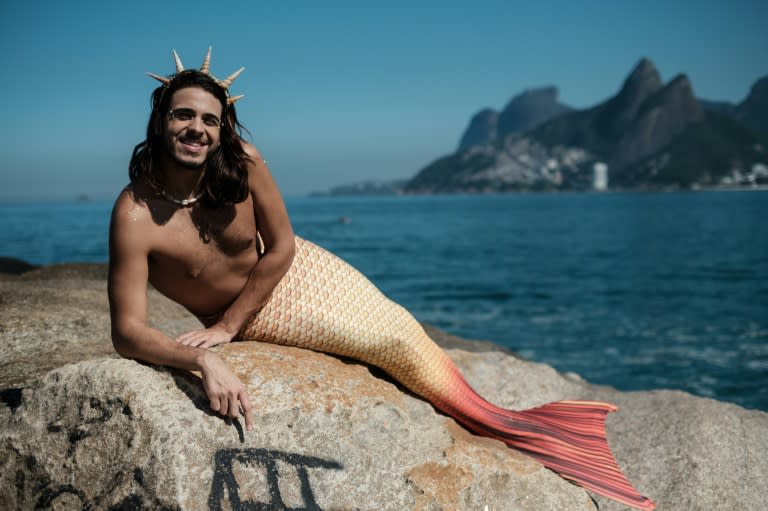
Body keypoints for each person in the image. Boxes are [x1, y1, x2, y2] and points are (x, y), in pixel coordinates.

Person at [108, 48, 654, 511]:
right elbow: (127, 332)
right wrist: (203, 356)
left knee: (400, 338)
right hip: (257, 318)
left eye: (209, 119)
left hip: (296, 274)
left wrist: (228, 325)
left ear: (222, 127)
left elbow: (284, 247)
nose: (196, 129)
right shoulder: (135, 213)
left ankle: (536, 430)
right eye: (184, 115)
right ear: (161, 120)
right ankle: (551, 435)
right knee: (392, 347)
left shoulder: (244, 162)